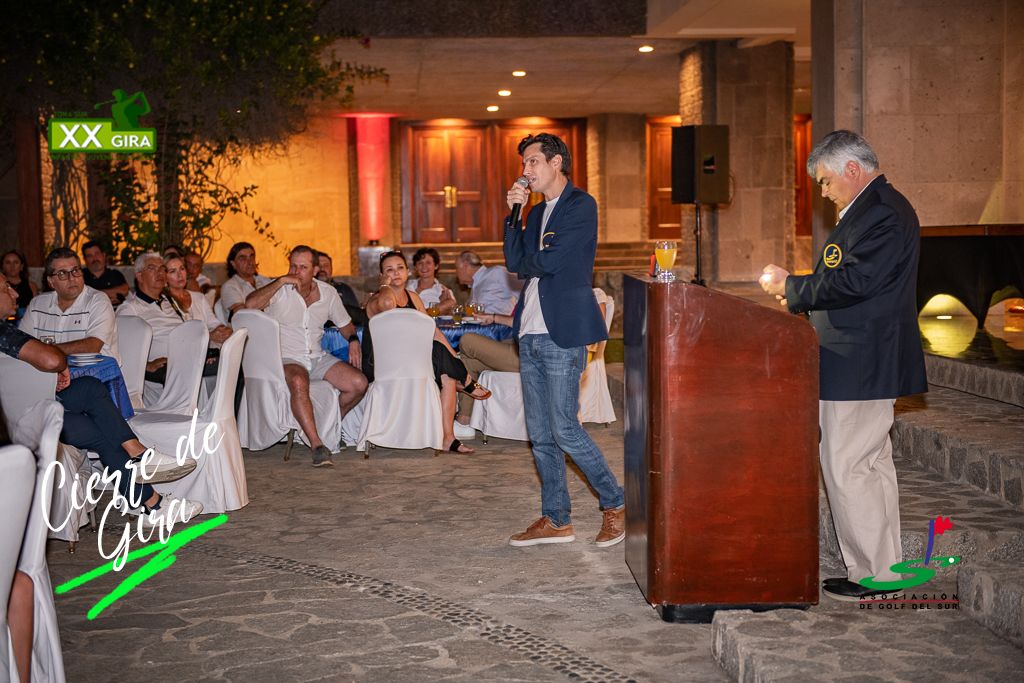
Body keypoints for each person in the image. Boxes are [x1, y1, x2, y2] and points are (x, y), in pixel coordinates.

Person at [759, 129, 927, 602]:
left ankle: (874, 575)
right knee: (868, 466)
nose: (824, 191)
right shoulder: (872, 209)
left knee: (848, 467)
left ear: (852, 169)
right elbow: (849, 278)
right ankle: (882, 569)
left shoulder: (883, 212)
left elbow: (856, 282)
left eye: (826, 181)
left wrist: (793, 287)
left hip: (860, 360)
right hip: (854, 358)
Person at [503, 132, 624, 548]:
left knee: (565, 429)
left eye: (533, 161)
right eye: (524, 163)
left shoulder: (580, 205)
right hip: (530, 332)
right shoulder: (535, 213)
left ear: (556, 163)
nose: (526, 171)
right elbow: (514, 262)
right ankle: (556, 519)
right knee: (540, 435)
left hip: (563, 331)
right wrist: (514, 215)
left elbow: (550, 262)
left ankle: (616, 502)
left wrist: (530, 262)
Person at [245, 245, 368, 467]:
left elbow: (345, 325)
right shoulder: (279, 289)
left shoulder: (328, 293)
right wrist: (281, 281)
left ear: (315, 270)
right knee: (299, 380)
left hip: (317, 356)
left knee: (359, 383)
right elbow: (250, 304)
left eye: (303, 267)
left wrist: (352, 340)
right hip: (286, 358)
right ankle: (317, 445)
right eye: (293, 266)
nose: (296, 271)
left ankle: (329, 426)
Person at [364, 251, 491, 454]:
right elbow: (388, 305)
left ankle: (448, 438)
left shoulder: (413, 297)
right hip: (382, 363)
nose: (395, 273)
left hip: (413, 359)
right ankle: (467, 382)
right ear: (382, 276)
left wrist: (455, 356)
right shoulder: (377, 299)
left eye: (400, 268)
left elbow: (432, 330)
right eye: (389, 270)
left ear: (407, 272)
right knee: (439, 354)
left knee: (448, 373)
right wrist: (384, 285)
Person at [20, 247, 120, 363]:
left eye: (75, 270)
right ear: (51, 281)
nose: (72, 278)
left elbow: (92, 347)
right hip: (46, 371)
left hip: (93, 370)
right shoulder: (37, 305)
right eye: (62, 273)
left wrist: (45, 350)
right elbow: (21, 345)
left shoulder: (98, 301)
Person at [117, 252, 195, 382]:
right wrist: (146, 365)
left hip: (189, 357)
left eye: (162, 269)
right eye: (152, 268)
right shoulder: (129, 309)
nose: (159, 273)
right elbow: (119, 348)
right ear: (140, 276)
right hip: (164, 370)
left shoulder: (171, 301)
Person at [455, 250, 521, 315]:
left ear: (466, 265)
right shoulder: (475, 285)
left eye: (457, 268)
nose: (456, 273)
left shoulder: (496, 272)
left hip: (499, 321)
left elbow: (524, 290)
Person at [219, 241, 271, 320]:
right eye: (243, 258)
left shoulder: (265, 281)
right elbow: (239, 314)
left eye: (252, 257)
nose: (250, 262)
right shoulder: (230, 286)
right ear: (233, 264)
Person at [316, 250, 368, 327]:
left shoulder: (343, 288)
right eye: (318, 265)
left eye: (326, 265)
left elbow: (358, 317)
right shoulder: (305, 291)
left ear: (331, 269)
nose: (322, 269)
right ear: (313, 269)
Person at [408, 247, 456, 315]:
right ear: (415, 267)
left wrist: (444, 304)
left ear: (436, 266)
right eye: (420, 263)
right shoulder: (406, 285)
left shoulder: (444, 291)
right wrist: (438, 308)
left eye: (428, 263)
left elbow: (453, 315)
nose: (424, 266)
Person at [81, 240, 129, 306]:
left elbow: (124, 290)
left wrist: (94, 295)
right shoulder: (80, 276)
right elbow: (79, 297)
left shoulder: (115, 274)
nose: (94, 258)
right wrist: (108, 296)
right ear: (85, 260)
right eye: (89, 256)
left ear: (103, 255)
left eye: (97, 254)